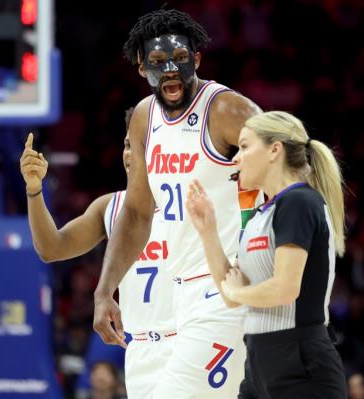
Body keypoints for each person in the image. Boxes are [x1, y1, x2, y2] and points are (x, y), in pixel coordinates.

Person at [91, 7, 262, 399]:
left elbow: (286, 160)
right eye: (157, 62)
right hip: (181, 294)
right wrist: (105, 290)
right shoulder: (143, 118)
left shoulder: (226, 109)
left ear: (197, 59)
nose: (170, 69)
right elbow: (136, 213)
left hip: (227, 287)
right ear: (140, 68)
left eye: (180, 59)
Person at [186, 111, 347, 398]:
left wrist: (238, 293)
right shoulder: (263, 214)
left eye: (245, 146)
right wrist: (208, 232)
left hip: (301, 363)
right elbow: (230, 293)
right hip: (260, 362)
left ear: (275, 149)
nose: (236, 158)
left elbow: (284, 290)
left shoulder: (299, 201)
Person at [19, 109, 175, 399]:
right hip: (141, 349)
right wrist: (34, 189)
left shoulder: (190, 203)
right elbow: (51, 248)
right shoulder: (111, 207)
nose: (131, 154)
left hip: (188, 341)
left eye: (141, 146)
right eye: (127, 145)